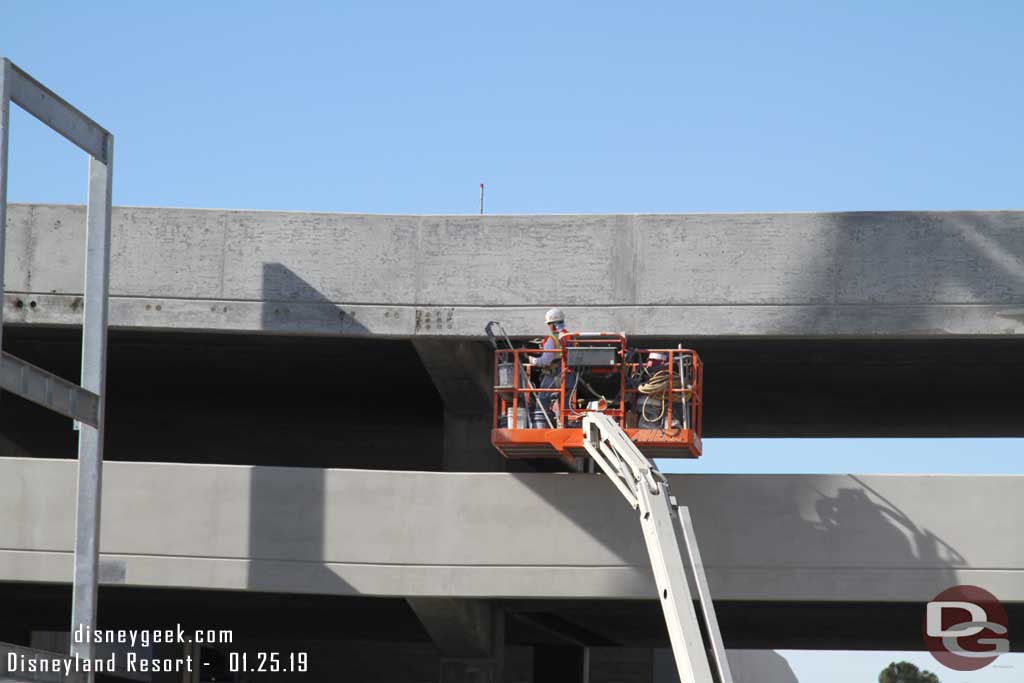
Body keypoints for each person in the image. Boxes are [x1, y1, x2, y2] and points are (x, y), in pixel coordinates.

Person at [525, 308, 575, 424]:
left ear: (552, 325)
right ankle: (565, 424)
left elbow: (544, 361)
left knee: (543, 400)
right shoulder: (569, 337)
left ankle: (541, 424)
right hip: (569, 374)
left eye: (549, 324)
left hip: (555, 375)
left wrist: (529, 358)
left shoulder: (552, 339)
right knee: (566, 404)